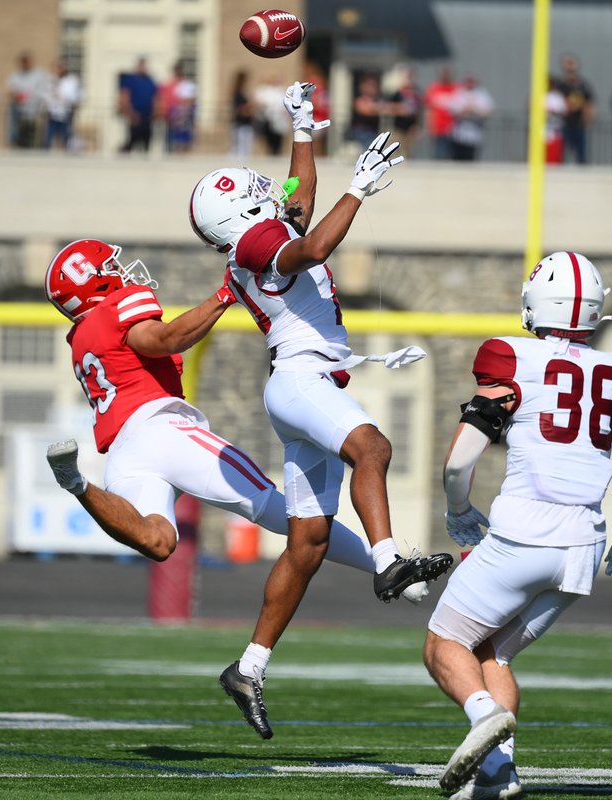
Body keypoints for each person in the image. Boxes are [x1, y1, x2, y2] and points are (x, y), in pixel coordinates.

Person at [188, 82, 453, 740]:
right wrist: (358, 191)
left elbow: (299, 198)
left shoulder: (258, 233)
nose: (266, 188)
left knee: (306, 543)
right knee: (374, 447)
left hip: (303, 382)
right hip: (302, 380)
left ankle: (248, 666)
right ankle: (390, 557)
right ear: (235, 211)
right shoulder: (253, 246)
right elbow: (309, 247)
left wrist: (304, 127)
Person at [424, 251, 612, 797]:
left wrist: (459, 510)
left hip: (523, 534)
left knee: (445, 645)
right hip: (582, 546)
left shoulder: (509, 356)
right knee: (496, 652)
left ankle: (483, 716)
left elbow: (459, 461)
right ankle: (499, 773)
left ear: (536, 302)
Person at [42, 238, 422, 590]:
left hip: (124, 454)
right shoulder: (116, 312)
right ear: (94, 283)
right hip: (162, 431)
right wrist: (224, 295)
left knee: (156, 539)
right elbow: (164, 340)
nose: (121, 272)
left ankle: (77, 483)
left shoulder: (82, 338)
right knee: (274, 507)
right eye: (110, 268)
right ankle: (387, 565)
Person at [556, 54, 595, 164]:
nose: (570, 69)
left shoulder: (583, 85)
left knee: (581, 157)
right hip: (563, 126)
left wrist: (587, 117)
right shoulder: (560, 85)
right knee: (561, 156)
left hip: (579, 125)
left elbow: (589, 103)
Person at [6, 51, 48, 148]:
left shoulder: (39, 75)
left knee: (32, 133)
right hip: (19, 110)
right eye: (22, 62)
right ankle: (16, 143)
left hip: (33, 110)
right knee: (18, 132)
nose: (24, 64)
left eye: (26, 62)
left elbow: (43, 91)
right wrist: (16, 95)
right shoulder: (16, 76)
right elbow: (10, 91)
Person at [449, 75, 494, 162]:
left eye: (472, 81)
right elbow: (453, 111)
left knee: (471, 159)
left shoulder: (482, 95)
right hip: (460, 134)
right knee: (458, 158)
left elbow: (488, 112)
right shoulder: (459, 93)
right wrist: (465, 110)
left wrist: (474, 110)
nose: (470, 84)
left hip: (475, 134)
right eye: (468, 81)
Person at [118, 58, 157, 154]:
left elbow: (155, 98)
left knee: (146, 141)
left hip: (147, 117)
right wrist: (129, 113)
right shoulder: (130, 80)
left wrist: (155, 113)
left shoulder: (149, 81)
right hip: (134, 116)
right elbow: (124, 96)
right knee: (132, 140)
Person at [43, 60, 81, 151]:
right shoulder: (51, 80)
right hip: (53, 112)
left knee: (66, 135)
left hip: (66, 112)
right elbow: (46, 95)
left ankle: (68, 152)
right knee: (49, 135)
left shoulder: (71, 81)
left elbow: (74, 96)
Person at [160, 61, 196, 153]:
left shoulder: (185, 84)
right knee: (171, 139)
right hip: (171, 114)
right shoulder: (169, 84)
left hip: (182, 116)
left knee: (183, 139)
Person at [424, 67, 459, 160]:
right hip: (437, 126)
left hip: (452, 128)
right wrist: (428, 125)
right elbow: (428, 108)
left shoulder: (456, 88)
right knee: (438, 153)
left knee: (451, 154)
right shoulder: (434, 88)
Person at [386, 68, 422, 156]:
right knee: (396, 149)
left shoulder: (416, 93)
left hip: (410, 128)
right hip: (398, 127)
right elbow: (390, 108)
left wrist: (417, 126)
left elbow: (418, 111)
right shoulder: (397, 93)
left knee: (408, 151)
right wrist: (401, 110)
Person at [254, 74, 289, 155]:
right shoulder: (265, 90)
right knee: (268, 138)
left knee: (278, 139)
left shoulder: (282, 90)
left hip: (279, 120)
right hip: (268, 119)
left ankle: (276, 153)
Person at [347, 73, 383, 147]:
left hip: (374, 132)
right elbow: (366, 109)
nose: (371, 88)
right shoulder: (359, 99)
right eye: (369, 85)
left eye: (373, 85)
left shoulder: (378, 100)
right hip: (360, 132)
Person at [230, 70, 255, 157]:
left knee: (245, 146)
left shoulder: (242, 92)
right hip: (241, 123)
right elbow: (240, 108)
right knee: (240, 147)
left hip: (245, 123)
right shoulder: (238, 93)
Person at [544, 74, 567, 164]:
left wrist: (553, 113)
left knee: (554, 160)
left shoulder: (558, 97)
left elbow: (564, 111)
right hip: (542, 132)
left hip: (555, 131)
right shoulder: (540, 96)